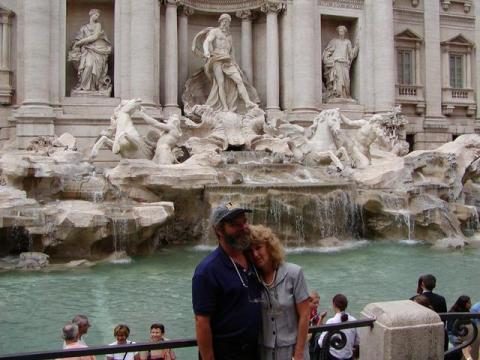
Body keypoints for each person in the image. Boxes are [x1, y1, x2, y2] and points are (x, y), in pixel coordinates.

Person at [192, 202, 262, 360]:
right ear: (218, 230)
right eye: (234, 225)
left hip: (255, 351)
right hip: (226, 354)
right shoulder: (207, 271)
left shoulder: (254, 258)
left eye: (244, 221)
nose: (243, 227)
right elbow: (202, 322)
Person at [248, 224, 310, 360]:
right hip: (264, 353)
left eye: (258, 248)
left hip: (293, 351)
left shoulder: (294, 273)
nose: (255, 254)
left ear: (269, 247)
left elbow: (305, 315)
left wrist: (298, 354)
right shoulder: (251, 280)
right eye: (250, 251)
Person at [198, 14, 256, 112]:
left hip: (228, 60)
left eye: (228, 22)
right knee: (221, 83)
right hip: (217, 58)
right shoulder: (215, 31)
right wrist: (206, 51)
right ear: (220, 21)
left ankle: (247, 102)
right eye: (224, 21)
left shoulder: (229, 36)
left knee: (239, 80)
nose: (225, 23)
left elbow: (232, 51)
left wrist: (235, 63)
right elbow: (207, 41)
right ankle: (225, 107)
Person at [69, 9, 112, 93]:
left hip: (97, 50)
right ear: (91, 15)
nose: (97, 17)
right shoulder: (84, 28)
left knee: (96, 69)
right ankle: (84, 87)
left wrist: (81, 42)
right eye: (96, 15)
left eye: (98, 16)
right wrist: (77, 44)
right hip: (86, 51)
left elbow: (95, 37)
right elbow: (77, 39)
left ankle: (93, 87)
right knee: (88, 66)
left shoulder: (98, 25)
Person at [410, 274, 448, 351]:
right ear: (435, 285)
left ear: (422, 284)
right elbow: (444, 319)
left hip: (420, 334)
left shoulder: (413, 300)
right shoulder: (441, 299)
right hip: (438, 333)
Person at [322, 25, 359, 100]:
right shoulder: (334, 41)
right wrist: (329, 59)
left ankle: (346, 96)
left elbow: (351, 54)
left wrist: (356, 47)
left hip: (345, 63)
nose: (341, 32)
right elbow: (327, 52)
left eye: (342, 31)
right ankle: (338, 96)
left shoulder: (347, 42)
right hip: (336, 63)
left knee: (347, 80)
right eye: (340, 31)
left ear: (345, 32)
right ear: (338, 32)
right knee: (338, 79)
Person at [318, 294, 359, 360]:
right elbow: (357, 342)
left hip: (333, 357)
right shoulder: (354, 320)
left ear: (334, 305)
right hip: (348, 357)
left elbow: (321, 343)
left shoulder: (331, 321)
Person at [447, 296, 473, 360]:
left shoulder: (467, 312)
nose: (471, 304)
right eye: (469, 303)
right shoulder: (453, 313)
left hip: (463, 335)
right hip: (454, 336)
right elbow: (450, 329)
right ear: (463, 304)